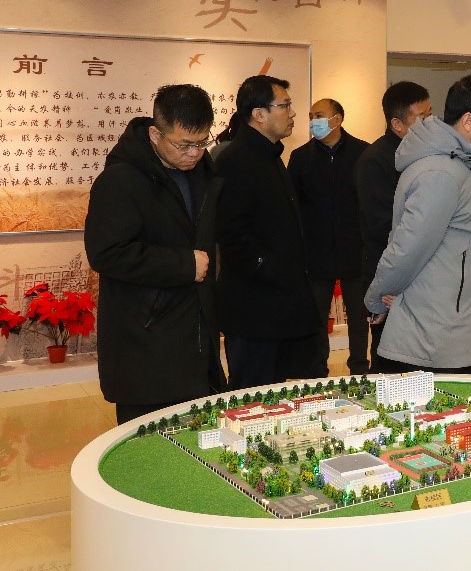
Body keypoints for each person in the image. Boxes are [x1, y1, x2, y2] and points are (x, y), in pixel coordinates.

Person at [84, 84, 226, 424]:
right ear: (155, 133)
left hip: (195, 337)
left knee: (198, 441)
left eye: (202, 142)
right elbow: (106, 253)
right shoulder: (120, 180)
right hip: (145, 343)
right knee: (146, 446)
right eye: (184, 144)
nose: (194, 153)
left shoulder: (204, 175)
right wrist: (184, 264)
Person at [364, 75, 471, 375]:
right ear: (469, 120)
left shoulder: (449, 163)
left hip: (442, 325)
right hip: (435, 339)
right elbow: (407, 249)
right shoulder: (441, 172)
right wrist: (376, 299)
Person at [215, 75, 324, 389]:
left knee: (276, 396)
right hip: (254, 311)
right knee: (252, 398)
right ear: (258, 114)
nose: (292, 113)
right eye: (285, 105)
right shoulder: (236, 160)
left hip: (277, 306)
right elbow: (232, 234)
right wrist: (270, 267)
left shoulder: (270, 156)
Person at [288, 97, 370, 376]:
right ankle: (317, 370)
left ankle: (359, 367)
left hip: (355, 248)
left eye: (320, 115)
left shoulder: (363, 152)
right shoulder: (300, 157)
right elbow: (293, 205)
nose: (314, 121)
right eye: (311, 116)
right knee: (317, 317)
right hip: (316, 251)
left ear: (337, 119)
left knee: (358, 316)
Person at [356, 81, 431, 373]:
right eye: (422, 118)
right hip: (389, 273)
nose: (430, 123)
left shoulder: (423, 155)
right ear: (398, 124)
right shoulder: (375, 161)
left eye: (430, 114)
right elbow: (382, 227)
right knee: (389, 360)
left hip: (417, 273)